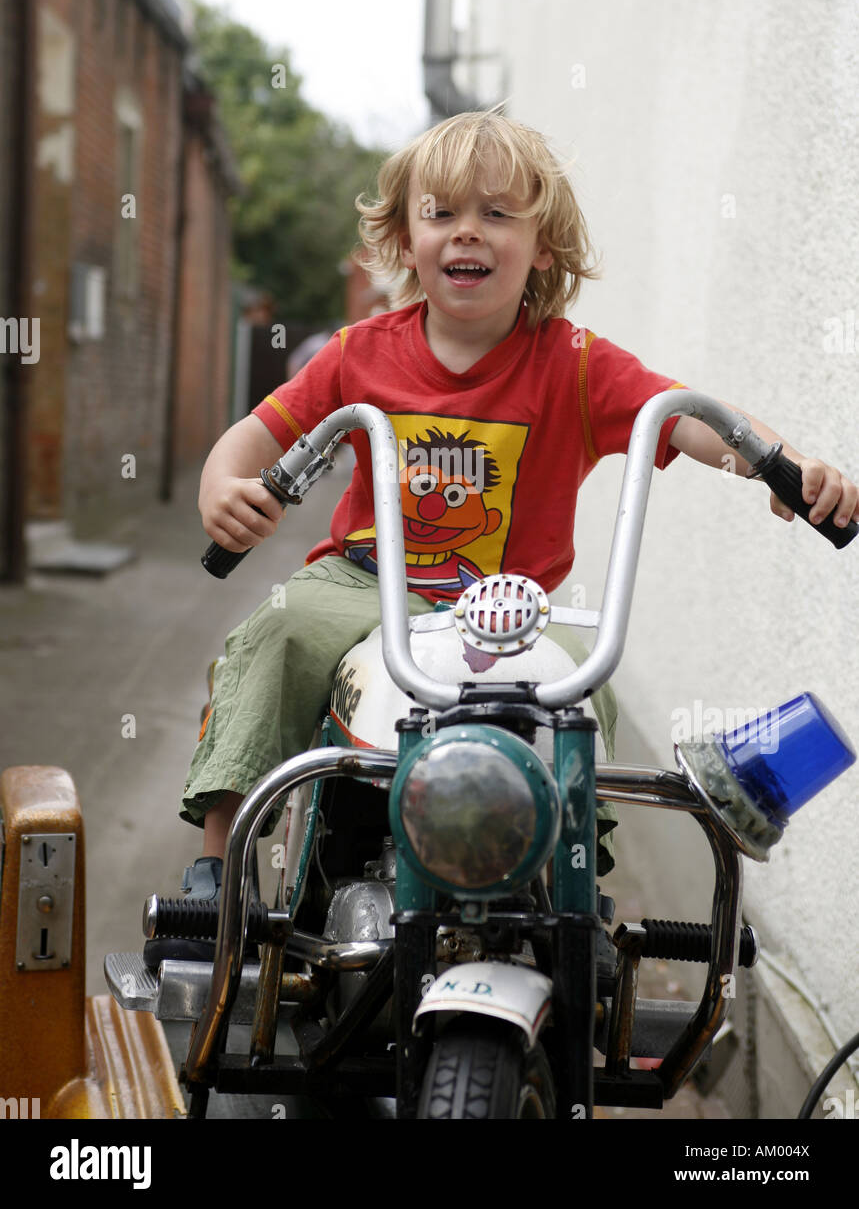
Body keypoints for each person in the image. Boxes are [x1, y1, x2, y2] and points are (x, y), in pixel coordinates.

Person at [146, 109, 858, 963]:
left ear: (542, 246)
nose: (465, 234)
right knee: (278, 632)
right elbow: (255, 438)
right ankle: (218, 866)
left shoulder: (575, 363)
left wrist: (780, 464)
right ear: (405, 242)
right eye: (440, 214)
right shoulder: (356, 354)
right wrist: (221, 486)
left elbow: (685, 419)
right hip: (363, 581)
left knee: (580, 692)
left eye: (494, 214)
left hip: (506, 609)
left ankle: (573, 886)